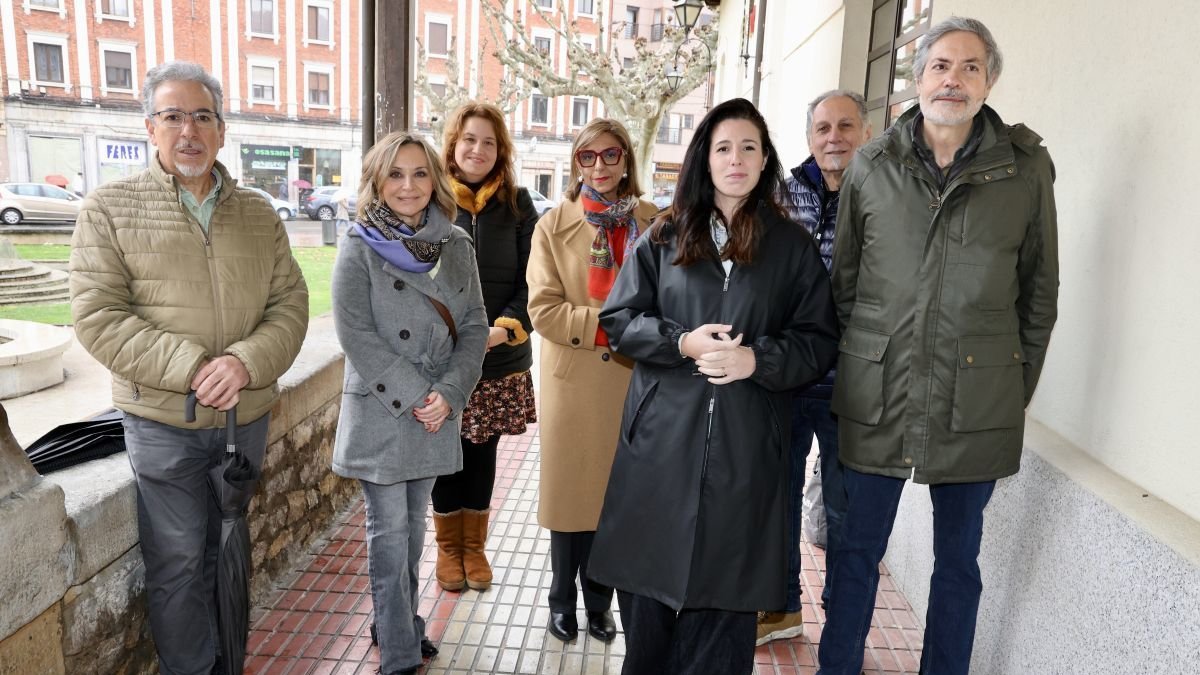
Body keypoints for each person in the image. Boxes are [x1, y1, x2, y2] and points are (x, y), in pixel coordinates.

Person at [817, 17, 1059, 675]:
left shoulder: (1025, 166)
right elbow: (845, 283)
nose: (953, 79)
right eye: (941, 65)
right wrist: (867, 354)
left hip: (975, 398)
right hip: (877, 390)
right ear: (918, 77)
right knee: (856, 548)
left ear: (990, 80)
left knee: (959, 561)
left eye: (970, 67)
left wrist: (1010, 385)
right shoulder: (872, 163)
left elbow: (1039, 292)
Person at [69, 60, 309, 675]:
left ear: (222, 130)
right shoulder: (109, 209)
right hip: (162, 423)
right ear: (150, 127)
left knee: (227, 552)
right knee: (177, 562)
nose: (188, 131)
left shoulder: (259, 212)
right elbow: (98, 317)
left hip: (244, 418)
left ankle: (229, 663)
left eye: (202, 116)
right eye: (172, 116)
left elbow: (290, 305)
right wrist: (196, 366)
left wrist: (245, 362)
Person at [588, 97, 840, 674]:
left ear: (764, 160)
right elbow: (619, 320)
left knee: (723, 634)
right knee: (648, 630)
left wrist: (758, 359)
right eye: (723, 147)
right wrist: (682, 343)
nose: (736, 159)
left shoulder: (792, 247)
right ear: (704, 159)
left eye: (749, 147)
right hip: (659, 449)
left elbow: (818, 340)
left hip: (746, 454)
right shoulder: (664, 236)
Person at [330, 130, 488, 675]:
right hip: (383, 406)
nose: (408, 185)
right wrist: (419, 392)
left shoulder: (457, 246)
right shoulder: (357, 244)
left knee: (415, 529)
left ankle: (398, 622)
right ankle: (399, 648)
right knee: (389, 532)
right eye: (395, 174)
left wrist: (448, 394)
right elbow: (355, 334)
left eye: (420, 173)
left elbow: (473, 327)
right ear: (377, 181)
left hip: (433, 411)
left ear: (435, 180)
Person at [526, 117, 658, 644]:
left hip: (635, 382)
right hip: (575, 381)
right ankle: (562, 601)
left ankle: (600, 604)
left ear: (626, 159)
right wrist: (614, 329)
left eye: (609, 155)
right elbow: (544, 311)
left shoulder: (653, 221)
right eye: (588, 157)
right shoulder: (551, 226)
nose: (599, 167)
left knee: (612, 502)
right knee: (570, 501)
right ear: (575, 162)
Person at [757, 89, 872, 645]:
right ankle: (781, 608)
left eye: (846, 126)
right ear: (808, 137)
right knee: (776, 498)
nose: (834, 137)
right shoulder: (780, 194)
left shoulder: (882, 193)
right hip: (786, 378)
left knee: (846, 511)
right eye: (823, 127)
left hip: (852, 385)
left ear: (866, 133)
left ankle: (842, 622)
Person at [430, 101, 538, 593]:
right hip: (440, 359)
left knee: (482, 451)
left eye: (489, 142)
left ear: (501, 151)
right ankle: (449, 550)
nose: (478, 149)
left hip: (496, 357)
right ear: (453, 143)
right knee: (443, 452)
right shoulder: (429, 199)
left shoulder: (517, 204)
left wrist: (504, 327)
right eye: (469, 139)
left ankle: (475, 548)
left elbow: (533, 279)